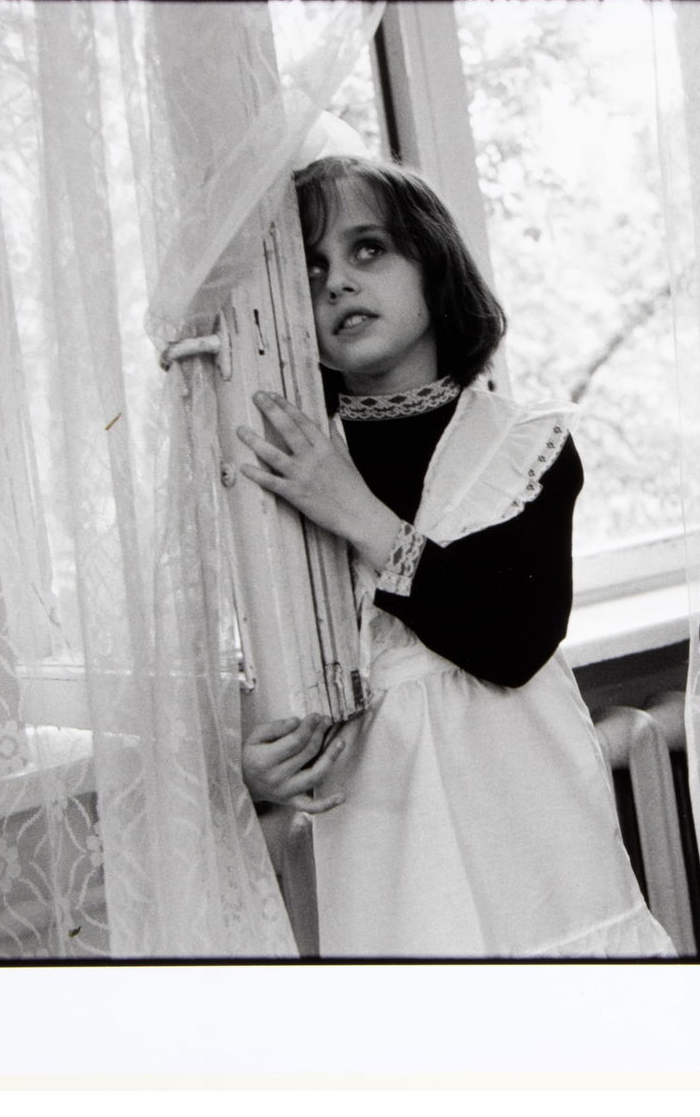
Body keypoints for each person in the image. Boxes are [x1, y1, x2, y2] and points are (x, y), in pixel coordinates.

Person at [237, 154, 674, 958]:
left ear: (433, 265)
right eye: (313, 268)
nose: (337, 282)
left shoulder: (523, 444)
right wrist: (257, 772)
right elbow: (259, 660)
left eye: (368, 249)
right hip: (377, 831)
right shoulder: (286, 461)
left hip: (525, 815)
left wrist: (359, 514)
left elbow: (513, 640)